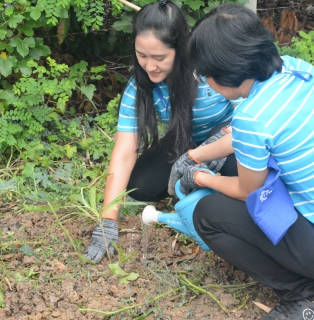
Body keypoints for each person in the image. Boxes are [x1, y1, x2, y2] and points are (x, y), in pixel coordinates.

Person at [173, 4, 314, 320]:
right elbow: (244, 139)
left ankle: (311, 301)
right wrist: (194, 155)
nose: (203, 81)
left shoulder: (251, 117)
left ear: (224, 73)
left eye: (204, 74)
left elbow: (247, 190)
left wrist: (200, 178)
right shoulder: (296, 69)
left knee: (208, 214)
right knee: (231, 166)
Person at [84, 0, 240, 263]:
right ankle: (198, 184)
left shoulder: (210, 71)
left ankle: (217, 196)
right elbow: (124, 153)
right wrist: (107, 219)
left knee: (241, 174)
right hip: (185, 145)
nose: (149, 66)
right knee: (139, 186)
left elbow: (255, 120)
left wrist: (213, 148)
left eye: (159, 58)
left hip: (230, 142)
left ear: (180, 50)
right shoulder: (140, 86)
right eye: (141, 55)